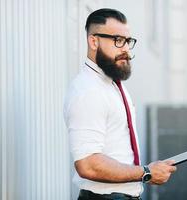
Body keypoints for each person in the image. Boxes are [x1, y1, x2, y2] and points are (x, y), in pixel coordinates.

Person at [64, 8, 176, 200]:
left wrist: (147, 171)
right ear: (93, 41)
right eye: (118, 40)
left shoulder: (112, 85)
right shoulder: (88, 90)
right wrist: (146, 172)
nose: (125, 48)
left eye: (128, 41)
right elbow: (88, 164)